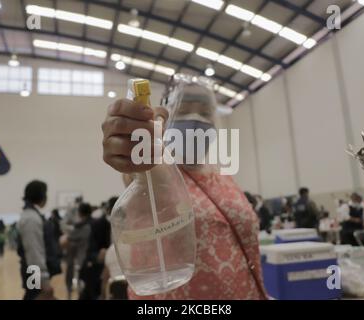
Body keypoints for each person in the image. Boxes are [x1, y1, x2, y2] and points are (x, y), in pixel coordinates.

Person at [101, 75, 267, 299]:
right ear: (165, 118)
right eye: (184, 109)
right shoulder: (159, 170)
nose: (196, 119)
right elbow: (140, 172)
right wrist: (134, 138)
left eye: (205, 112)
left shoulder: (223, 177)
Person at [17, 180, 61, 300]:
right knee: (35, 296)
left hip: (33, 272)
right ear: (41, 195)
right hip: (34, 273)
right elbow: (34, 251)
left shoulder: (31, 215)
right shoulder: (31, 218)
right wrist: (42, 279)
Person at [79, 198, 113, 300]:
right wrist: (98, 256)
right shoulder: (97, 225)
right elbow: (89, 251)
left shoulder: (128, 224)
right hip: (96, 269)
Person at [61, 203, 93, 300]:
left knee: (80, 284)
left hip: (81, 260)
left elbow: (64, 240)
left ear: (79, 213)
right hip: (86, 260)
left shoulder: (84, 226)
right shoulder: (92, 223)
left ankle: (71, 293)